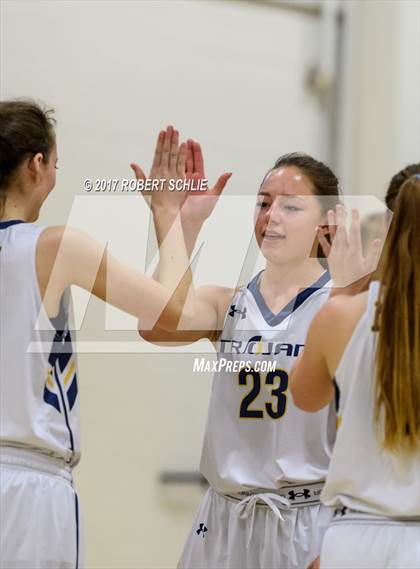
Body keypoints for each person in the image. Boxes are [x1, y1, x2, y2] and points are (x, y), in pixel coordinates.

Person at [0, 99, 225, 567]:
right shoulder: (53, 246)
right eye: (56, 163)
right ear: (37, 165)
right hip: (26, 489)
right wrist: (170, 218)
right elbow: (173, 312)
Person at [140, 150, 346, 569]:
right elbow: (154, 324)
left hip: (304, 521)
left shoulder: (342, 307)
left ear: (326, 222)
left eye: (290, 205)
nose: (271, 216)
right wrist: (180, 223)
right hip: (224, 516)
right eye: (264, 202)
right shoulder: (228, 303)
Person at [290, 171, 420, 568]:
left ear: (387, 226)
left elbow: (306, 396)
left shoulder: (341, 315)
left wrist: (343, 289)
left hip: (351, 541)